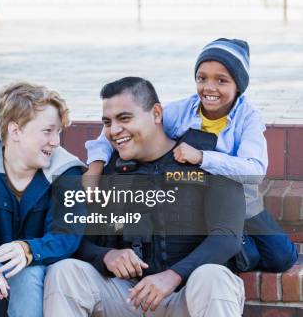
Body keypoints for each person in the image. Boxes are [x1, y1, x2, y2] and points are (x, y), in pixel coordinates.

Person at [85, 38, 297, 272]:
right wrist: (96, 166)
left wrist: (203, 157)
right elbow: (120, 128)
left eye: (221, 80)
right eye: (202, 78)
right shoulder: (182, 110)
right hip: (201, 195)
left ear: (238, 85)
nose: (209, 88)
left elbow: (254, 171)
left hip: (240, 195)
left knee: (281, 257)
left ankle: (243, 245)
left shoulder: (248, 118)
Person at [44, 77, 246, 317]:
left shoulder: (207, 160)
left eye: (125, 118)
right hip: (127, 297)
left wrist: (172, 276)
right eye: (107, 122)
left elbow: (227, 238)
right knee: (64, 271)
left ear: (157, 114)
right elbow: (73, 238)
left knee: (214, 276)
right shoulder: (106, 172)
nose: (114, 131)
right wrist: (106, 256)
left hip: (187, 295)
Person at [0, 81, 85, 317]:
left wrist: (28, 250)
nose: (55, 141)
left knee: (26, 272)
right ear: (15, 131)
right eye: (47, 131)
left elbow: (67, 233)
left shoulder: (67, 170)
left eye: (58, 132)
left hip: (39, 281)